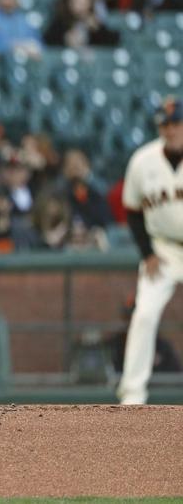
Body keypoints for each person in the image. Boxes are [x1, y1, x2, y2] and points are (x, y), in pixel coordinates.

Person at [117, 96, 183, 405]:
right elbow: (131, 211)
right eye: (165, 124)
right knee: (144, 315)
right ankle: (132, 395)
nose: (171, 130)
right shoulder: (143, 161)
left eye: (176, 123)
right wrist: (148, 254)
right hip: (164, 250)